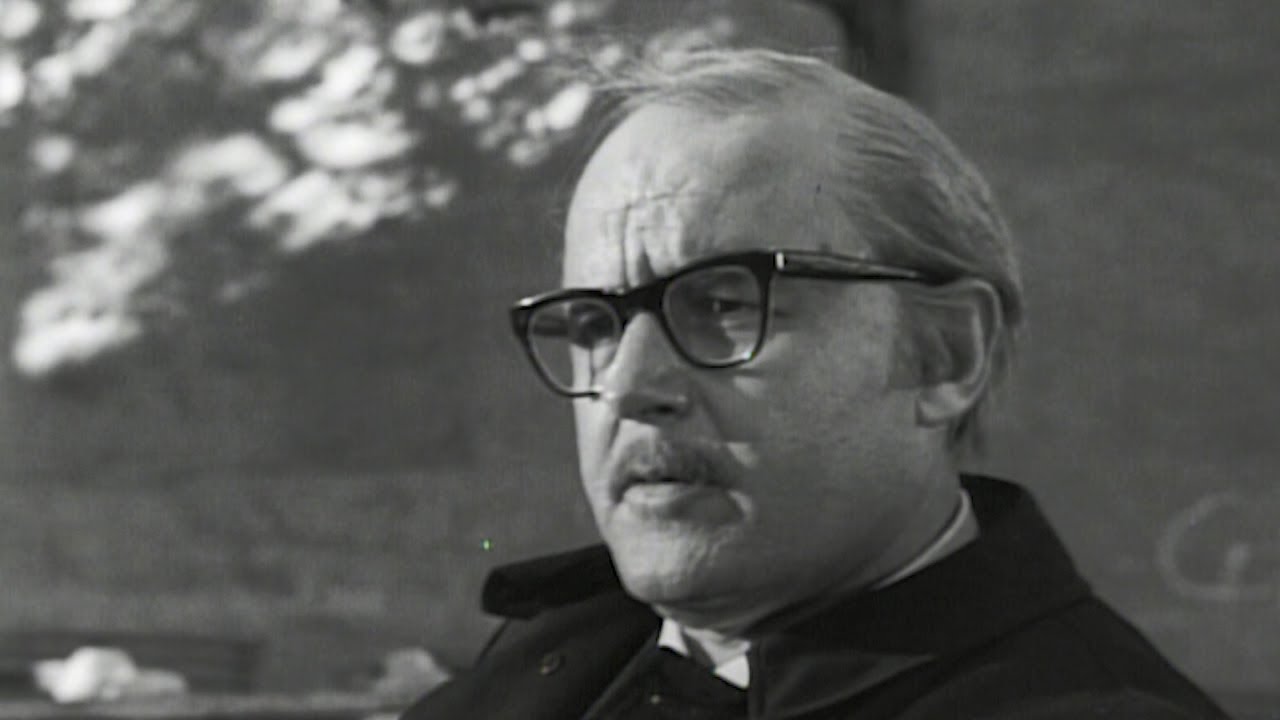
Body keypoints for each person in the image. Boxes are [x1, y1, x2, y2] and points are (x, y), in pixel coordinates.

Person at [402, 48, 1228, 719]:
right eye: (594, 325)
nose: (628, 386)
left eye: (722, 305)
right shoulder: (528, 674)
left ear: (944, 355)